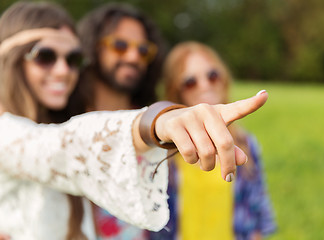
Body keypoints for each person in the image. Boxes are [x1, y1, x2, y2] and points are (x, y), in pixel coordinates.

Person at [0, 2, 268, 239]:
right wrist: (158, 121)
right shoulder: (10, 135)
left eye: (72, 59)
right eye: (45, 56)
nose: (62, 70)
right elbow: (67, 145)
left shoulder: (48, 121)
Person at [154, 41, 277, 240]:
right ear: (176, 91)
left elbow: (257, 210)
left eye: (212, 76)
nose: (205, 85)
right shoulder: (163, 152)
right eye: (190, 81)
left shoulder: (245, 143)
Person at [77, 3, 167, 238]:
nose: (133, 56)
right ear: (92, 47)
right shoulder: (64, 120)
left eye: (143, 50)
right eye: (119, 45)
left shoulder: (154, 123)